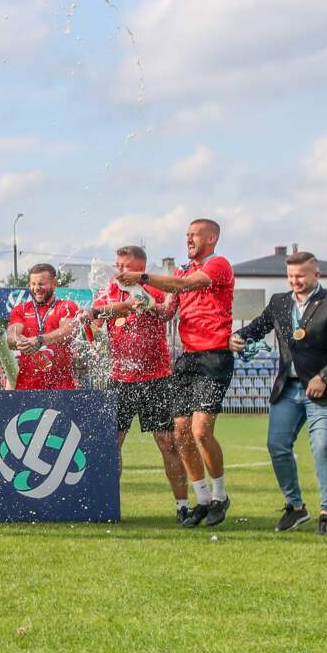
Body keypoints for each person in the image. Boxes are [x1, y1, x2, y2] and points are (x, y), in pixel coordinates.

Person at [231, 251, 327, 536]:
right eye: (291, 276)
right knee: (277, 446)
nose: (295, 281)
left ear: (317, 275)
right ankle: (295, 508)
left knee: (323, 447)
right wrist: (239, 336)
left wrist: (324, 376)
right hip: (288, 389)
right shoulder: (279, 302)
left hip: (324, 392)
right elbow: (258, 327)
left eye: (301, 276)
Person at [119, 218, 235, 526]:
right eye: (186, 235)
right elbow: (169, 310)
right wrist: (143, 304)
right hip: (188, 359)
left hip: (214, 357)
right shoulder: (182, 269)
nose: (189, 239)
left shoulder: (219, 265)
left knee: (200, 431)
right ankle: (202, 500)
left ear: (211, 238)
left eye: (194, 235)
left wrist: (142, 276)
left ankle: (221, 496)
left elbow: (183, 285)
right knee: (181, 434)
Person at [87, 246, 188, 523]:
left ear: (140, 267)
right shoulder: (110, 289)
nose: (120, 270)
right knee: (111, 444)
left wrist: (149, 304)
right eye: (118, 265)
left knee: (167, 443)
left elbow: (168, 312)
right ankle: (109, 506)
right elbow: (95, 315)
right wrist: (116, 308)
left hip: (155, 377)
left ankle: (182, 506)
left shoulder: (153, 286)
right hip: (120, 378)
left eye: (126, 266)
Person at [6, 263, 85, 391]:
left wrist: (39, 339)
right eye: (33, 284)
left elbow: (67, 332)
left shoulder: (66, 306)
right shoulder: (20, 310)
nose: (36, 288)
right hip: (27, 387)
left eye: (41, 284)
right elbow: (11, 335)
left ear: (54, 284)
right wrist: (17, 341)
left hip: (60, 387)